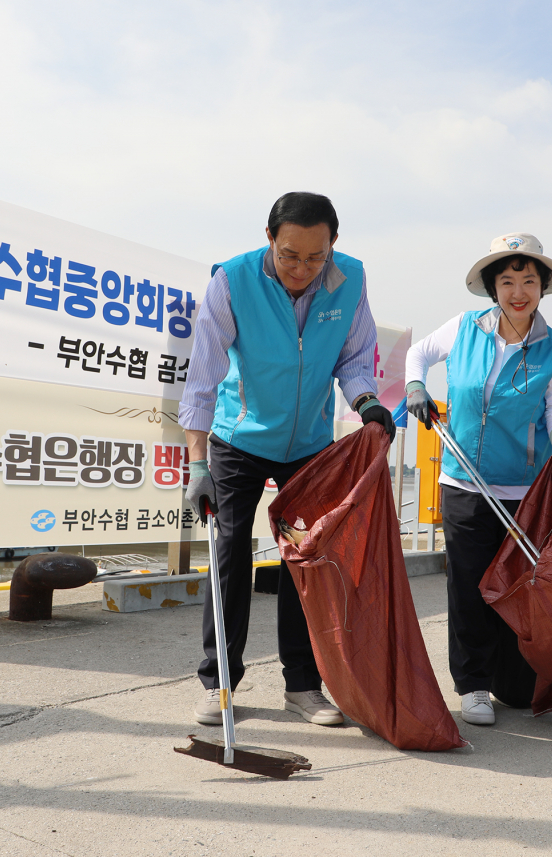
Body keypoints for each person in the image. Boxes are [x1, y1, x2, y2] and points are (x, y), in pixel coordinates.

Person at [179, 192, 397, 727]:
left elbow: (353, 358)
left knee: (306, 561)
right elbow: (202, 378)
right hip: (239, 439)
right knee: (230, 552)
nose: (301, 269)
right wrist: (198, 464)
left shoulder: (350, 279)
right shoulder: (231, 281)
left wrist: (367, 404)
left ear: (333, 245)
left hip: (308, 445)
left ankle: (303, 686)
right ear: (270, 239)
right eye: (289, 255)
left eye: (314, 257)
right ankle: (219, 681)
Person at [405, 233, 552, 726]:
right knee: (468, 587)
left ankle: (510, 677)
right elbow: (417, 354)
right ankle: (473, 684)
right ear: (492, 288)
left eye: (528, 281)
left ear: (543, 289)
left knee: (518, 589)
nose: (518, 291)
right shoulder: (463, 328)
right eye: (507, 281)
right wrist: (416, 386)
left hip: (523, 493)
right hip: (463, 483)